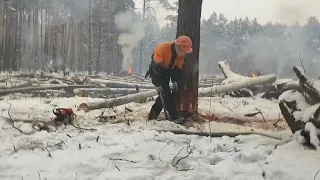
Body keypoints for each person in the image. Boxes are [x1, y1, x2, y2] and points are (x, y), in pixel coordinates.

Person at [145, 35, 193, 124]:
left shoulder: (181, 55)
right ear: (177, 47)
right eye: (184, 51)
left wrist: (175, 80)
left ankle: (153, 115)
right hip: (157, 71)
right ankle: (174, 117)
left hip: (168, 71)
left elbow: (177, 69)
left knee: (164, 95)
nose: (184, 54)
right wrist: (157, 84)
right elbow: (155, 67)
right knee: (165, 93)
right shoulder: (162, 49)